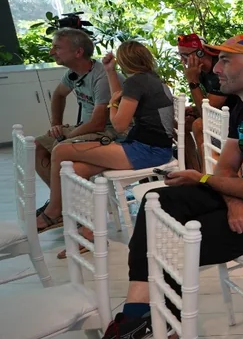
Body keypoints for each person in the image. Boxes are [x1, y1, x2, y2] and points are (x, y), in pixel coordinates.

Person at [86, 35, 243, 339]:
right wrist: (234, 202)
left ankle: (167, 333)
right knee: (159, 202)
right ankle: (136, 316)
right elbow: (226, 169)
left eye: (226, 60)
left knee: (175, 241)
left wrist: (203, 179)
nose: (217, 68)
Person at [39, 40, 176, 234]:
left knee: (60, 150)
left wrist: (112, 105)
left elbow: (119, 126)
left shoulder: (136, 82)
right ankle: (88, 231)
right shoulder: (149, 78)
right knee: (77, 169)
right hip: (152, 148)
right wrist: (110, 71)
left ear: (124, 61)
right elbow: (119, 95)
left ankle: (53, 210)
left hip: (147, 151)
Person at [34, 28, 119, 226]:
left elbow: (98, 123)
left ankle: (59, 210)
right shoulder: (73, 74)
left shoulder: (101, 77)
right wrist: (56, 125)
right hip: (86, 128)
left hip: (107, 132)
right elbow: (58, 95)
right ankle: (63, 205)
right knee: (38, 146)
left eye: (57, 47)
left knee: (61, 149)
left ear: (78, 52)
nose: (52, 52)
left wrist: (68, 136)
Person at [176, 33, 226, 172]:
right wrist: (193, 109)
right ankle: (193, 170)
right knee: (183, 122)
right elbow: (207, 103)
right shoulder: (202, 70)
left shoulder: (219, 70)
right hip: (218, 115)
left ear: (200, 52)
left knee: (199, 125)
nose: (182, 60)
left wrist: (192, 81)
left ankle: (206, 174)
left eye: (185, 55)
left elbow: (207, 112)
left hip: (232, 120)